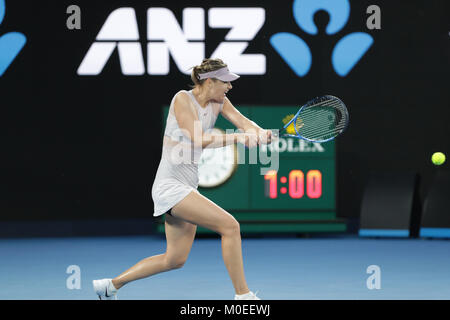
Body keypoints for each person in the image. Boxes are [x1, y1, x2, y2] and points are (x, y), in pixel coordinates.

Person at [93, 58, 272, 300]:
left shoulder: (220, 101)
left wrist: (259, 132)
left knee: (174, 259)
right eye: (226, 82)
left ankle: (110, 286)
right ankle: (243, 296)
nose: (229, 87)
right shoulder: (182, 99)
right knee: (230, 227)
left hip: (187, 186)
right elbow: (197, 139)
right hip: (170, 187)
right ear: (209, 81)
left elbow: (243, 122)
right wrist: (239, 138)